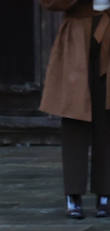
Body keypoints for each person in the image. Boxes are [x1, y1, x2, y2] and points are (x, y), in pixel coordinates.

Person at [41, 0, 110, 218]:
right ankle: (73, 193)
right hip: (77, 34)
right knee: (74, 112)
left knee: (107, 115)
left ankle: (105, 192)